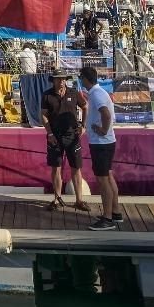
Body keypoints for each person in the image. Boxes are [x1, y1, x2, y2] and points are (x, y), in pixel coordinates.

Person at [79, 65, 121, 230]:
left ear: (85, 79)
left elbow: (106, 114)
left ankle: (107, 218)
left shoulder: (96, 94)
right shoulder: (98, 92)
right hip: (104, 143)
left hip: (101, 143)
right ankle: (115, 212)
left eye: (81, 77)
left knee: (103, 181)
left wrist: (103, 129)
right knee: (108, 177)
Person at [40, 71, 87, 209]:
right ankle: (57, 198)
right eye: (58, 79)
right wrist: (49, 133)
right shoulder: (47, 95)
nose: (61, 81)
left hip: (72, 136)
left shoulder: (73, 93)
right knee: (56, 168)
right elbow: (43, 115)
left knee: (76, 168)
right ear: (53, 81)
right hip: (54, 136)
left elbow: (85, 106)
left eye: (63, 79)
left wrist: (83, 125)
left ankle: (79, 201)